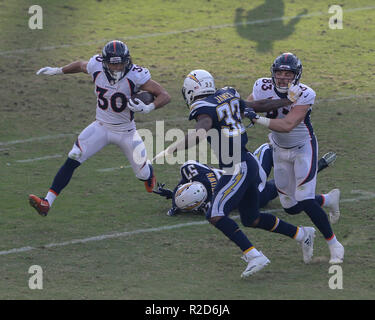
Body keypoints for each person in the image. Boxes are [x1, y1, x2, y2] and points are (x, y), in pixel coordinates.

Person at [154, 69, 316, 278]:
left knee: (215, 214)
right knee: (251, 218)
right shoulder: (227, 95)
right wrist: (285, 102)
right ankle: (302, 234)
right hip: (247, 162)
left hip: (237, 167)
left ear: (192, 91)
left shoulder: (203, 107)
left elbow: (202, 130)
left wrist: (171, 149)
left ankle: (253, 255)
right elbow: (260, 106)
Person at [28, 40, 171, 217]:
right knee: (74, 157)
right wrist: (58, 70)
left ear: (127, 61)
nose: (117, 67)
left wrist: (149, 107)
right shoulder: (96, 66)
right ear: (104, 62)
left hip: (127, 132)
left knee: (142, 175)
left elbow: (165, 95)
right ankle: (46, 202)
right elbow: (80, 65)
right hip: (101, 127)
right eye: (113, 63)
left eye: (120, 62)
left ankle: (149, 174)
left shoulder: (136, 75)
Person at [244, 52, 344, 264]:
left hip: (302, 148)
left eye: (288, 73)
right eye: (279, 72)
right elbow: (249, 104)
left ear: (296, 75)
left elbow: (288, 125)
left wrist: (257, 119)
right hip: (278, 150)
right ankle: (327, 199)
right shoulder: (262, 86)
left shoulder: (305, 93)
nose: (282, 77)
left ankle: (334, 244)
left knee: (305, 199)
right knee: (291, 206)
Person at [154, 146, 339, 220]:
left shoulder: (207, 205)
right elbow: (186, 179)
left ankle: (311, 164)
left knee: (282, 179)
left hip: (250, 183)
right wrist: (174, 194)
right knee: (280, 180)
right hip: (248, 181)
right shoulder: (193, 172)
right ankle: (326, 197)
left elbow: (188, 204)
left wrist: (174, 197)